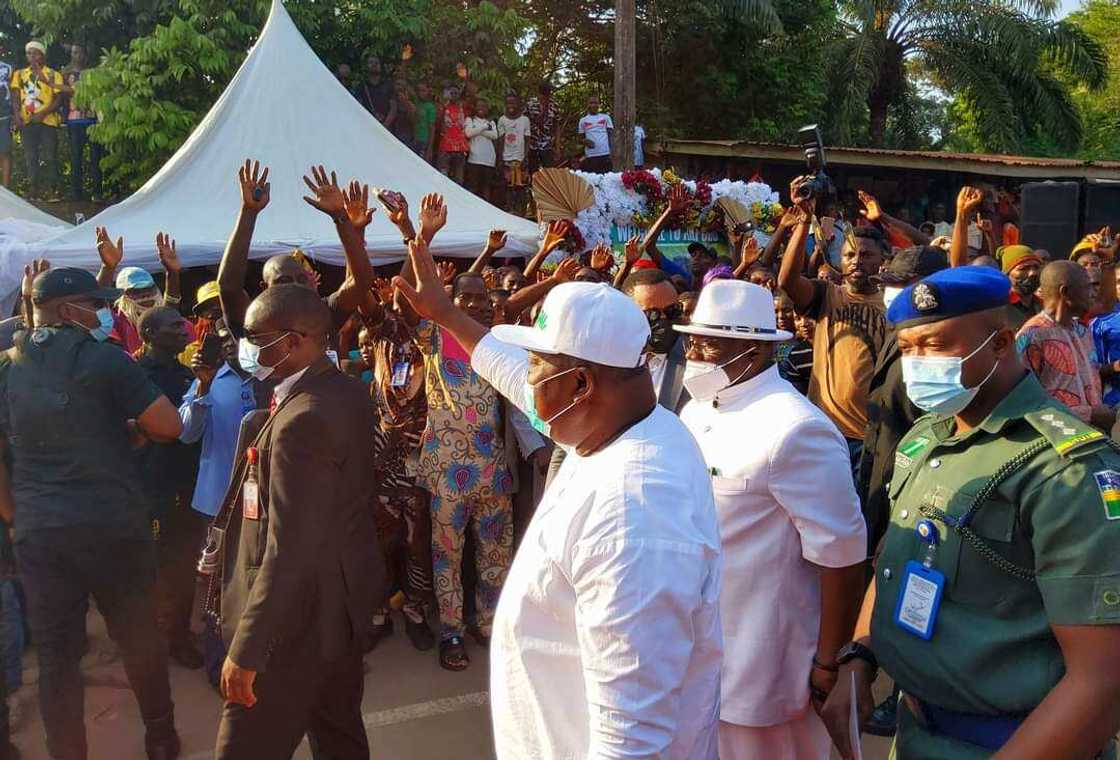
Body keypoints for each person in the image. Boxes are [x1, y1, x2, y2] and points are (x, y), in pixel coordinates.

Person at [393, 237, 723, 759]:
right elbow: (509, 371)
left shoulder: (634, 510)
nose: (525, 377)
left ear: (581, 383)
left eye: (536, 365)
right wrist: (446, 314)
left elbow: (632, 742)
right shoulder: (619, 419)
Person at [821, 265, 1120, 760]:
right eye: (909, 348)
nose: (917, 363)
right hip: (917, 732)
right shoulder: (925, 438)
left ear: (1002, 344)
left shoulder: (1063, 469)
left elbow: (1103, 680)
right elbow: (899, 560)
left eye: (936, 346)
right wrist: (861, 656)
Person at [676, 280, 866, 759]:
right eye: (693, 340)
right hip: (698, 649)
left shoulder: (795, 429)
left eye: (710, 343)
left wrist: (829, 662)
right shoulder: (698, 408)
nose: (695, 354)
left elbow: (842, 557)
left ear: (754, 348)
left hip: (766, 664)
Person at [0, 267, 183, 760]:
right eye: (94, 304)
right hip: (111, 526)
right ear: (66, 310)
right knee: (137, 635)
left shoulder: (6, 366)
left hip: (42, 534)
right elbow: (168, 425)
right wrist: (132, 430)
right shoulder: (107, 360)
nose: (104, 312)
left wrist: (18, 518)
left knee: (58, 658)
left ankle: (68, 752)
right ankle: (161, 737)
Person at [214, 285, 385, 759]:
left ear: (294, 342)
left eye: (256, 337)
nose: (246, 346)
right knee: (339, 736)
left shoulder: (302, 420)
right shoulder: (344, 389)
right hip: (340, 608)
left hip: (296, 626)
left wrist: (248, 650)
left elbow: (288, 547)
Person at [414, 269, 513, 671]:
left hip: (493, 470)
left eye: (481, 299)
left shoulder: (499, 343)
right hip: (446, 472)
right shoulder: (432, 337)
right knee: (447, 556)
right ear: (451, 301)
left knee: (496, 553)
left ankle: (488, 625)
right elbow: (411, 306)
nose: (474, 305)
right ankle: (451, 630)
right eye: (465, 297)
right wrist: (417, 243)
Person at [778, 187, 888, 479]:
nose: (856, 261)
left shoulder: (892, 304)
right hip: (827, 430)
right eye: (849, 254)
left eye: (866, 255)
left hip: (872, 436)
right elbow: (788, 281)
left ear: (882, 260)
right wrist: (803, 223)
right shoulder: (829, 295)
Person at [359, 286, 435, 653]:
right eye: (398, 300)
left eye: (410, 300)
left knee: (417, 545)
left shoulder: (432, 338)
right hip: (381, 463)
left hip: (420, 464)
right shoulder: (381, 338)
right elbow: (362, 293)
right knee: (379, 545)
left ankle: (417, 612)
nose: (403, 307)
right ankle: (379, 614)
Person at [135, 307, 205, 670]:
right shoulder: (136, 376)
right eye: (174, 325)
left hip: (187, 483)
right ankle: (155, 638)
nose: (184, 329)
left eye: (183, 322)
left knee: (182, 562)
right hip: (151, 486)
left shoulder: (186, 374)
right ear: (150, 332)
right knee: (156, 566)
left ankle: (177, 635)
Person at [1016, 260, 1114, 430]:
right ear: (1065, 292)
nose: (1093, 293)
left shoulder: (1083, 331)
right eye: (1087, 287)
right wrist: (1088, 414)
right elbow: (1022, 403)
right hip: (1058, 443)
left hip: (1095, 439)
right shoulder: (1032, 336)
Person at [621, 268, 690, 413]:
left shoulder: (696, 359)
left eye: (672, 310)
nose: (664, 320)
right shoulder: (607, 361)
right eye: (652, 314)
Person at [11, 41, 64, 200]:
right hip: (27, 121)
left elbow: (58, 99)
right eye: (29, 53)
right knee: (30, 156)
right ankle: (33, 190)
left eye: (36, 53)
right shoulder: (20, 74)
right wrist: (17, 114)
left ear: (43, 55)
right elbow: (15, 96)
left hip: (47, 121)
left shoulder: (53, 74)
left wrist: (43, 113)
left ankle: (54, 190)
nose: (32, 56)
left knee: (50, 156)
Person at [61, 44, 102, 201]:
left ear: (85, 54)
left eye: (78, 52)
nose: (75, 55)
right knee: (75, 157)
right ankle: (76, 193)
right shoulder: (65, 73)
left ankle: (97, 192)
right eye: (73, 53)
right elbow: (61, 96)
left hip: (92, 120)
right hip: (73, 121)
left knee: (95, 157)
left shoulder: (93, 73)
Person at [497, 93, 531, 212]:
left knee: (521, 186)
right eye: (508, 103)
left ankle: (521, 210)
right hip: (507, 159)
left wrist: (525, 157)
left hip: (520, 159)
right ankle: (509, 209)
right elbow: (500, 140)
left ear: (518, 104)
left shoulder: (525, 120)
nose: (510, 105)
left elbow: (527, 140)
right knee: (508, 185)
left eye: (513, 103)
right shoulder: (502, 120)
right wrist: (500, 158)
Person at [999, 244, 1043, 332]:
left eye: (1036, 267)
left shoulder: (1044, 305)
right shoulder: (999, 307)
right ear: (1007, 274)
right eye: (1023, 268)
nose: (1032, 273)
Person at [463, 99, 498, 202]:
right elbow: (468, 133)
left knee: (486, 187)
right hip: (474, 159)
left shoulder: (490, 122)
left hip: (489, 159)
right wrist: (484, 127)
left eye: (484, 106)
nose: (481, 108)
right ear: (475, 107)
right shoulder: (470, 120)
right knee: (472, 187)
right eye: (479, 106)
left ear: (487, 109)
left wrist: (478, 130)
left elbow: (494, 135)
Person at [525, 80, 560, 172]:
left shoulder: (554, 105)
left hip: (547, 144)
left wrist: (557, 146)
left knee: (550, 172)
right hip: (532, 145)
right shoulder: (530, 104)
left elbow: (557, 126)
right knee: (533, 173)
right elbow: (524, 124)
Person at [436, 86, 468, 184]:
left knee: (459, 179)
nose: (453, 95)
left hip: (460, 147)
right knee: (442, 176)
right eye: (451, 93)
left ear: (459, 95)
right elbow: (438, 123)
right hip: (446, 145)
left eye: (456, 93)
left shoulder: (464, 108)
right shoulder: (443, 107)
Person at [353, 54, 396, 128]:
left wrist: (385, 124)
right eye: (371, 62)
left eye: (377, 62)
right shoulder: (361, 87)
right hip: (368, 127)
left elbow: (393, 108)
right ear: (366, 66)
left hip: (387, 128)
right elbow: (358, 108)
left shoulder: (388, 85)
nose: (374, 65)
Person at [577, 95, 613, 173]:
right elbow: (580, 138)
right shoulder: (583, 120)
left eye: (595, 103)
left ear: (599, 104)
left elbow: (611, 135)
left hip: (605, 154)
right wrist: (585, 141)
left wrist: (612, 152)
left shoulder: (606, 117)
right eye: (591, 103)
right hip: (591, 155)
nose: (593, 105)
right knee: (593, 179)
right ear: (588, 105)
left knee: (607, 178)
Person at [413, 82, 437, 163]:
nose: (421, 93)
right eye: (419, 90)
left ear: (428, 91)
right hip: (416, 140)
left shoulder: (431, 107)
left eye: (423, 90)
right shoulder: (417, 104)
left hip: (425, 141)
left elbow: (432, 127)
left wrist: (430, 147)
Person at [0, 55, 12, 187]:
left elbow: (14, 92)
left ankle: (6, 190)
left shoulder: (8, 68)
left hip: (4, 115)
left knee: (5, 151)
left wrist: (14, 114)